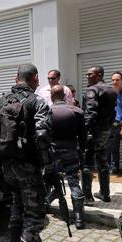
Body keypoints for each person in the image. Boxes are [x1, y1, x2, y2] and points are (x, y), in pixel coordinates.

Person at [0, 63, 51, 242]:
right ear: (34, 78)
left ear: (17, 78)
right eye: (38, 79)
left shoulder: (1, 101)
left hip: (7, 166)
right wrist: (49, 165)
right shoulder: (38, 102)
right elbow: (43, 136)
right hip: (28, 167)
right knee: (34, 213)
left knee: (16, 205)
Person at [48, 85, 87, 229]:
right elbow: (83, 135)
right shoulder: (77, 111)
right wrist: (81, 151)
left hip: (53, 152)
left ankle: (43, 207)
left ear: (52, 97)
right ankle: (79, 218)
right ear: (65, 95)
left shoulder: (47, 111)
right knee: (73, 182)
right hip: (71, 150)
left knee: (50, 180)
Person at [81, 66, 116, 203]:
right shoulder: (111, 89)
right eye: (87, 74)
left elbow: (91, 113)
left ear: (99, 75)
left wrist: (84, 131)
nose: (87, 77)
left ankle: (87, 197)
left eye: (90, 74)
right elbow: (113, 112)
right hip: (106, 130)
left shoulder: (92, 89)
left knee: (87, 162)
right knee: (102, 160)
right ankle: (105, 193)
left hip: (93, 131)